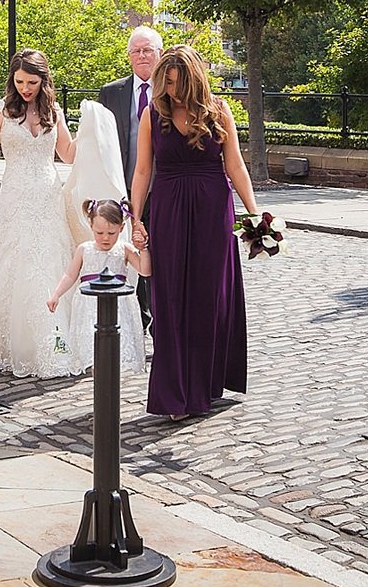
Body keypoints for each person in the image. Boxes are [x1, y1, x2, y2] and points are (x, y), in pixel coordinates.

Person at [131, 45, 261, 420]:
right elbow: (143, 172)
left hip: (212, 211)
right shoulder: (152, 114)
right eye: (164, 82)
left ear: (192, 79)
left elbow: (235, 166)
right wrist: (136, 219)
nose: (169, 90)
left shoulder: (220, 111)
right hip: (169, 209)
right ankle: (174, 394)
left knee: (209, 298)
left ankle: (205, 386)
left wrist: (255, 215)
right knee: (170, 299)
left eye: (174, 82)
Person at [0, 49, 80, 377]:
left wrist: (91, 135)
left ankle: (55, 341)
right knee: (17, 260)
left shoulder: (54, 111)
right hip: (15, 196)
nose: (25, 87)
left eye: (33, 82)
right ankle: (17, 342)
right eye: (20, 81)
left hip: (48, 195)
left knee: (51, 260)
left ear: (44, 80)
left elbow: (68, 154)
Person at [98, 26, 162, 327]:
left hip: (163, 188)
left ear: (159, 54)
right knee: (127, 253)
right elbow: (98, 142)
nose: (141, 56)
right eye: (136, 51)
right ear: (128, 56)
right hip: (122, 188)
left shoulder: (171, 89)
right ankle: (138, 319)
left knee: (157, 254)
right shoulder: (111, 93)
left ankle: (159, 318)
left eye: (147, 50)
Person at [47, 199, 149, 375]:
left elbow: (145, 271)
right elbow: (70, 275)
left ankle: (110, 375)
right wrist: (56, 294)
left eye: (111, 232)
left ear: (121, 228)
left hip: (118, 305)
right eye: (99, 232)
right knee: (92, 341)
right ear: (91, 226)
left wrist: (144, 250)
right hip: (89, 305)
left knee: (116, 341)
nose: (105, 238)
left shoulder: (124, 249)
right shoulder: (84, 249)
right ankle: (98, 373)